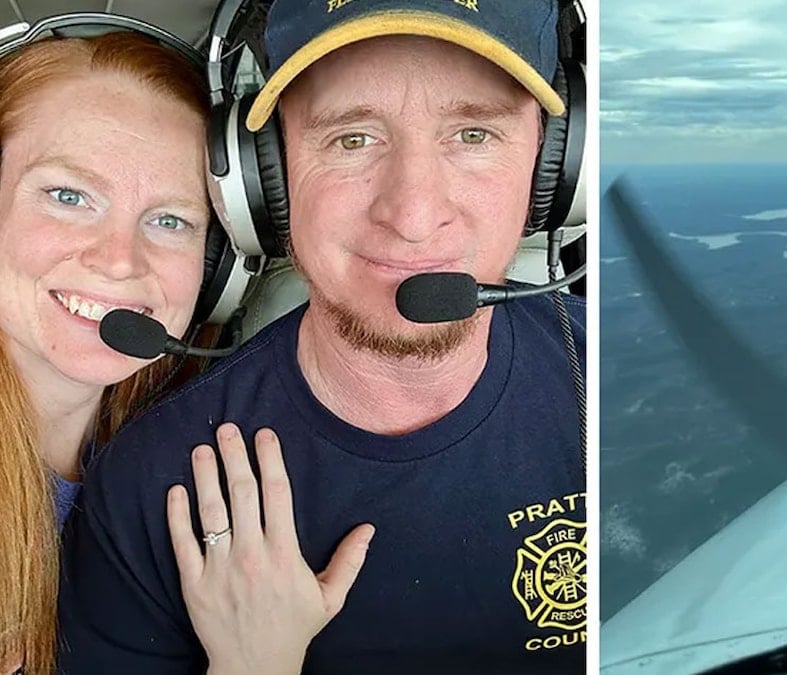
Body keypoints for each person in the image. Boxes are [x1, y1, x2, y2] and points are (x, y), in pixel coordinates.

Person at [57, 0, 587, 672]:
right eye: (352, 139)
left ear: (554, 164)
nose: (414, 215)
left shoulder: (619, 373)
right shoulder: (151, 490)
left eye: (474, 135)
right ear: (264, 179)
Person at [0, 19, 371, 675]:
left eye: (170, 219)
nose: (120, 260)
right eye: (68, 195)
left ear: (220, 262)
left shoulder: (173, 449)